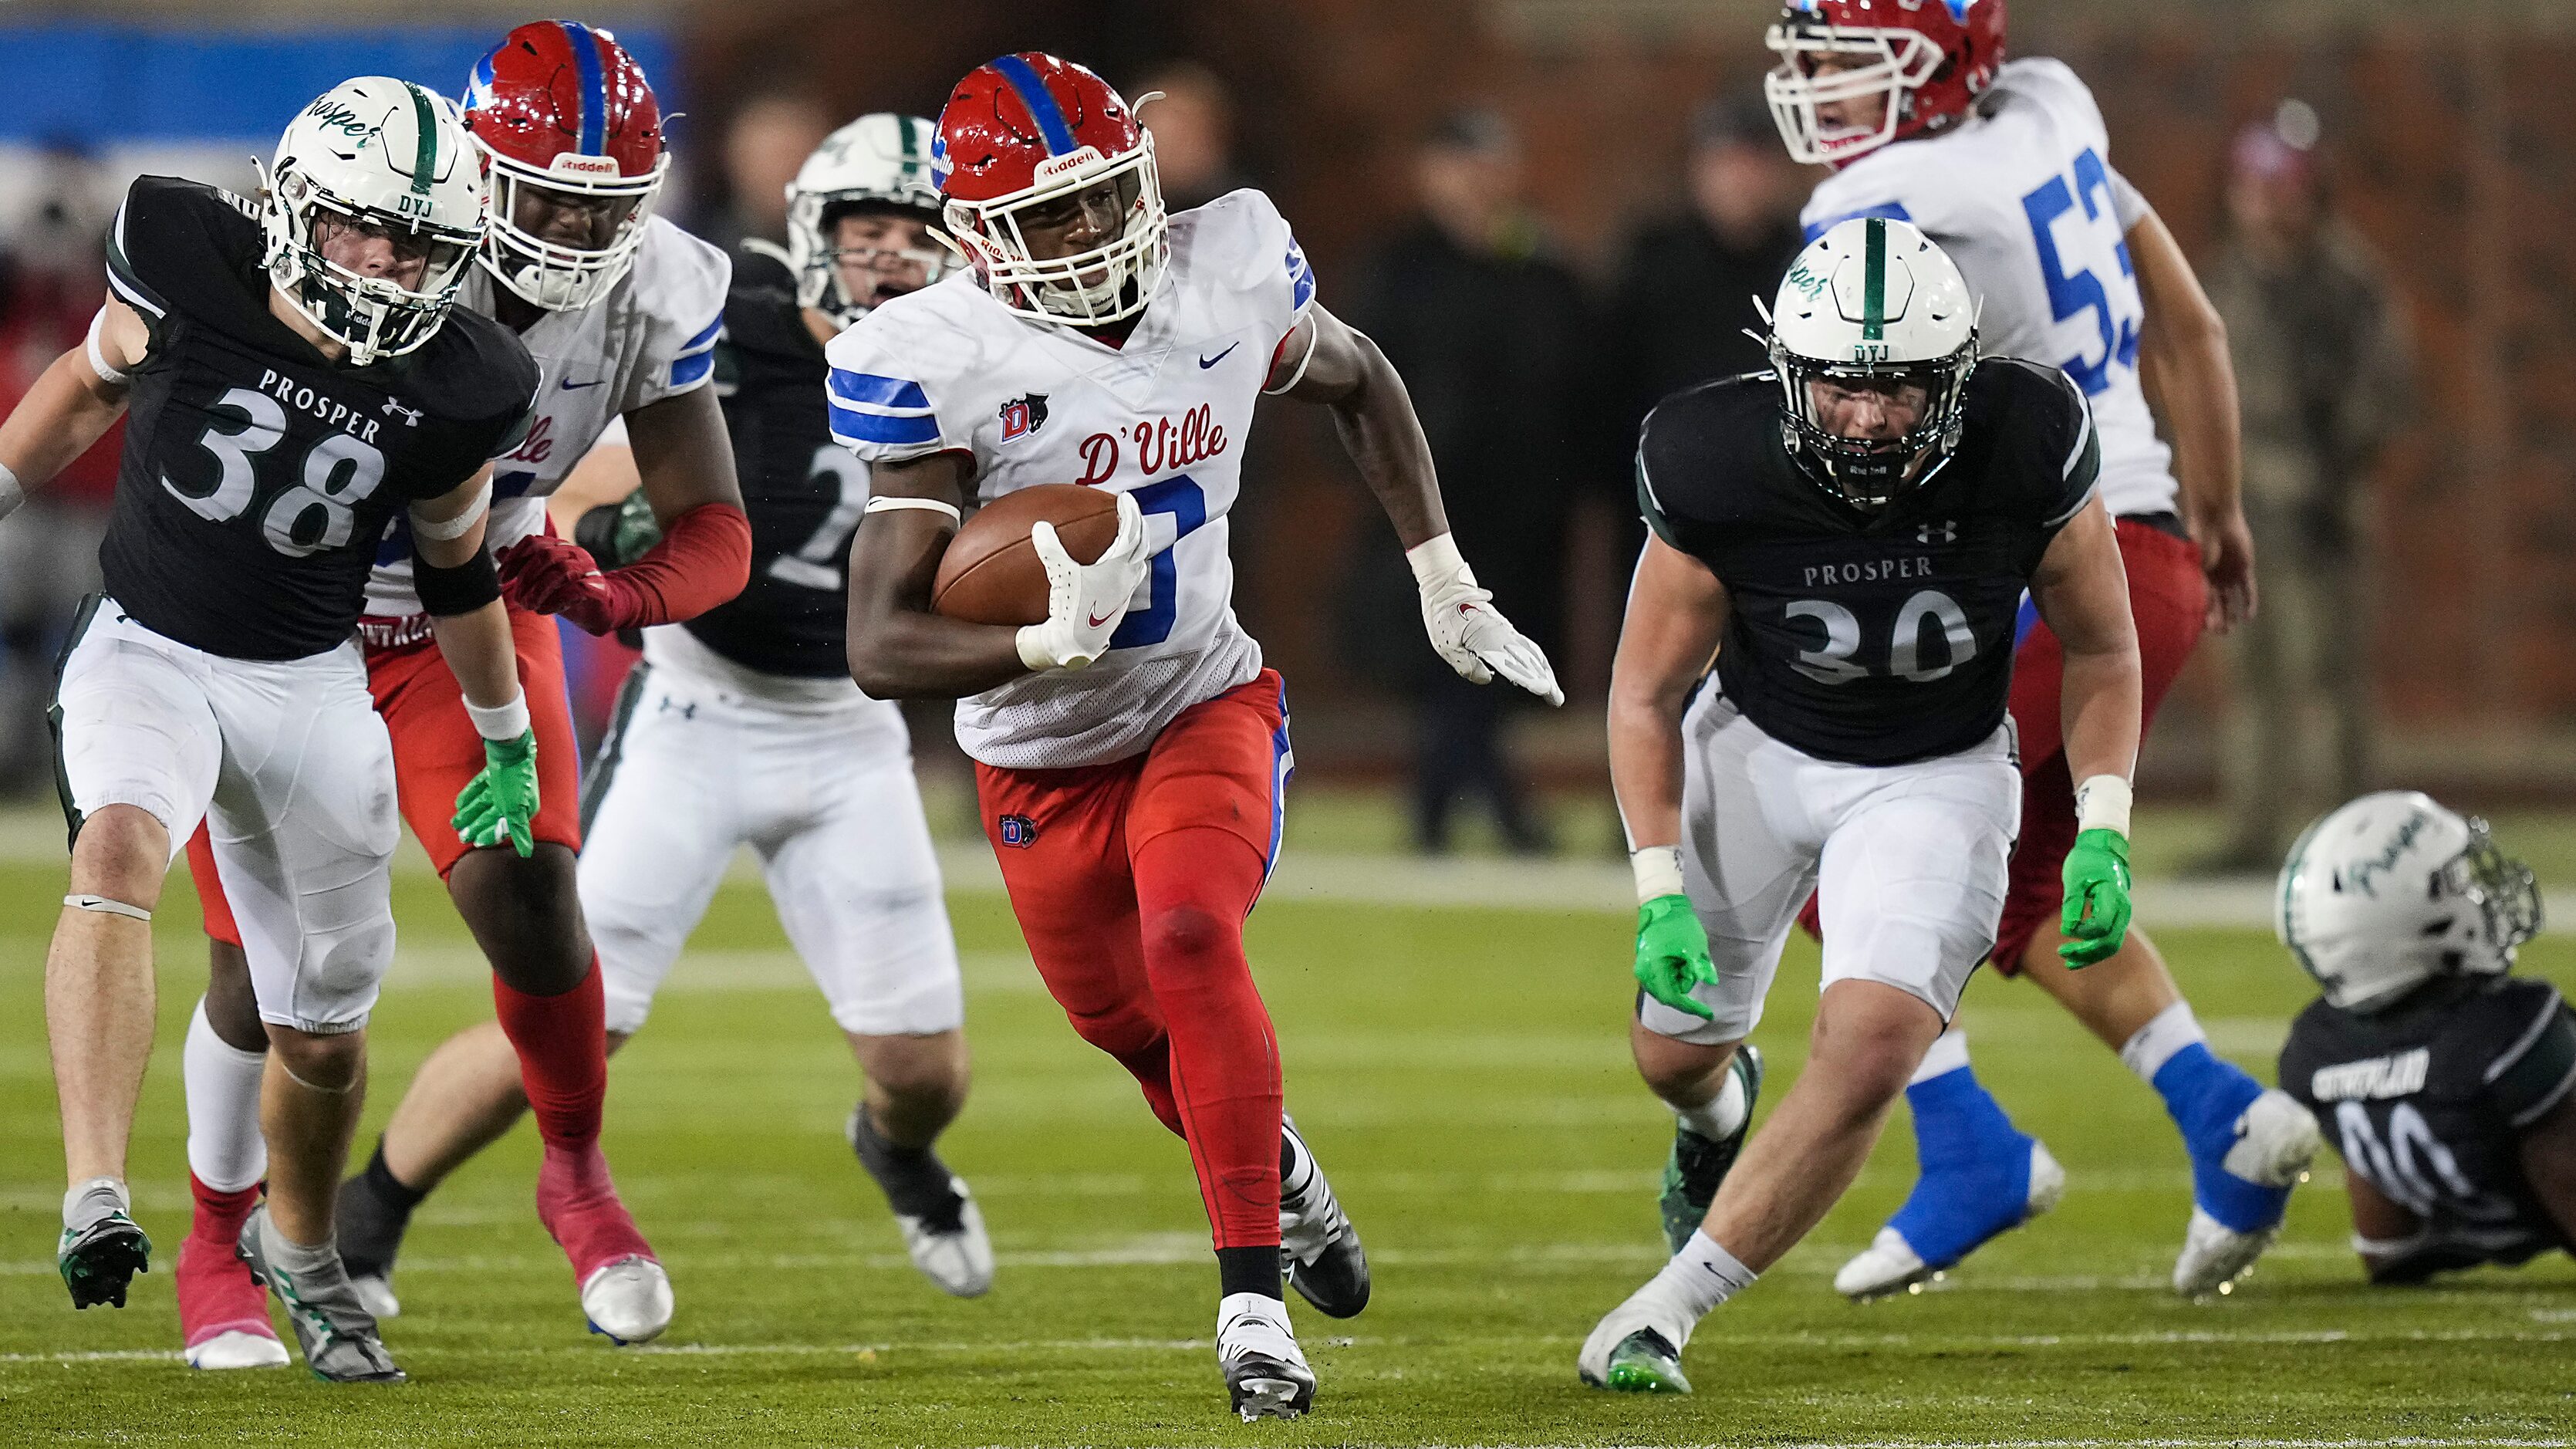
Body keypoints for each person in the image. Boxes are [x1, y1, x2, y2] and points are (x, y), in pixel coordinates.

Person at [833, 53, 1560, 1419]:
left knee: (1188, 938)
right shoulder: (937, 361)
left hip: (1199, 698)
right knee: (1126, 1027)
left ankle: (1248, 1308)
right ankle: (1278, 1174)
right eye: (1050, 218)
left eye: (1109, 198)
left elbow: (1357, 375)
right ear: (978, 237)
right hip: (1035, 747)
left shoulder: (1223, 270)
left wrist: (1440, 570)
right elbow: (879, 647)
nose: (1094, 237)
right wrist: (1039, 640)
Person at [171, 22, 749, 1369]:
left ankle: (577, 1172)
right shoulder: (366, 235)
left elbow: (711, 516)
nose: (564, 227)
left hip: (467, 622)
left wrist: (622, 595)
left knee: (537, 903)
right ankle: (219, 1240)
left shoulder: (654, 284)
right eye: (541, 192)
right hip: (275, 618)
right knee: (257, 983)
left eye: (600, 205)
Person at [1737, 0, 2315, 1302]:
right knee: (2028, 891)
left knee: (1832, 827)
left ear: (1940, 65)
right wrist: (2217, 510)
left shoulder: (1890, 196)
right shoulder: (2047, 111)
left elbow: (1844, 421)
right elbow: (2193, 329)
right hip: (2153, 547)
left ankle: (1964, 1151)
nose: (1824, 91)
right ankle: (2223, 1118)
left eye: (1849, 63)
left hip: (2055, 569)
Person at [2, 78, 542, 1383]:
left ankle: (302, 1248)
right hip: (146, 644)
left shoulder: (468, 380)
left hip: (309, 684)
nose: (390, 263)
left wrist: (506, 731)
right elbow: (85, 381)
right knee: (117, 852)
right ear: (298, 206)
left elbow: (458, 568)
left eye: (418, 243)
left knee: (322, 1029)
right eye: (364, 229)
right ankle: (96, 1192)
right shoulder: (188, 254)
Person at [1582, 217, 2142, 1395]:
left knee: (1878, 1037)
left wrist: (2101, 824)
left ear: (1956, 377)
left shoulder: (2026, 438)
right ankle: (1709, 1115)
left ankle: (1662, 1314)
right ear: (1787, 372)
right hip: (1755, 749)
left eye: (1900, 389)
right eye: (1839, 386)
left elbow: (2100, 645)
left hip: (1936, 768)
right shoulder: (1709, 455)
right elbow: (1642, 689)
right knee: (1669, 1053)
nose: (1869, 417)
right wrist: (1655, 891)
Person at [446, 112, 994, 1299]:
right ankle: (366, 1213)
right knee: (565, 1009)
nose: (891, 254)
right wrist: (610, 532)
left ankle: (895, 1154)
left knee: (923, 1070)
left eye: (918, 232)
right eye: (867, 230)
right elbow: (580, 475)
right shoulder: (727, 314)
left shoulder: (989, 361)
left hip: (851, 731)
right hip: (698, 705)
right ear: (813, 233)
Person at [1347, 109, 1588, 853]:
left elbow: (1576, 384)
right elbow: (1351, 386)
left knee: (1492, 665)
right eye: (1458, 164)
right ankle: (1481, 817)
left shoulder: (1542, 271)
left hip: (1519, 508)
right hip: (1425, 509)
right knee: (1447, 665)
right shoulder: (1399, 270)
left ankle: (1446, 814)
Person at [2200, 104, 2414, 872]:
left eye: (2282, 184)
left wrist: (2324, 476)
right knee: (2251, 683)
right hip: (2239, 517)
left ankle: (2352, 840)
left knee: (2331, 679)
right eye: (2255, 184)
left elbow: (2383, 391)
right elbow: (2194, 393)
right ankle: (2254, 832)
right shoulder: (2221, 283)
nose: (2267, 200)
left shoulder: (2349, 282)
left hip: (2324, 517)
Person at [2274, 792, 2573, 1282]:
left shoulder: (2314, 1052)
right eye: (2455, 881)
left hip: (2461, 1217)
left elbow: (2384, 1250)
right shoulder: (2509, 1032)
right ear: (2404, 917)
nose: (2476, 891)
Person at [1601, 93, 1806, 445]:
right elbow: (1613, 387)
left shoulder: (1806, 264)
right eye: (1725, 162)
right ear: (1697, 170)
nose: (1739, 179)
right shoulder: (1654, 264)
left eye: (1754, 162)